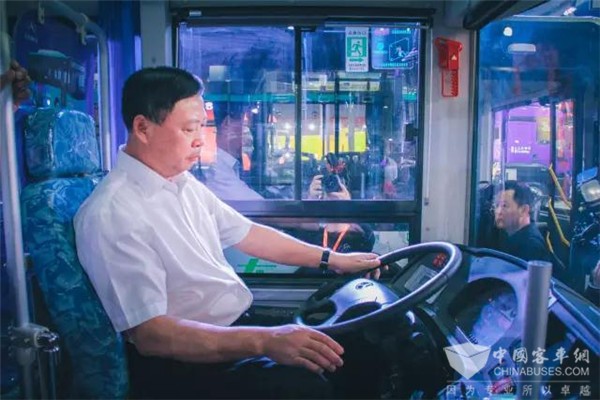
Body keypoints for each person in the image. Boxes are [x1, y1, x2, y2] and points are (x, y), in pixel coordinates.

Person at [74, 66, 382, 399]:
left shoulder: (181, 183)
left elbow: (249, 234)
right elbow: (152, 334)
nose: (199, 140)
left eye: (201, 127)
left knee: (356, 351)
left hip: (233, 329)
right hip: (184, 364)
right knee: (308, 386)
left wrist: (333, 260)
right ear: (142, 128)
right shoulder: (113, 212)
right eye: (188, 129)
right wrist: (266, 341)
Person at [203, 102, 263, 200]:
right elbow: (256, 203)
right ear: (227, 124)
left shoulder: (231, 166)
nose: (249, 133)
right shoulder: (219, 172)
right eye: (245, 125)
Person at [493, 180, 551, 262]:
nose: (498, 211)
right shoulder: (506, 235)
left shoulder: (531, 246)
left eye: (504, 206)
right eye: (496, 205)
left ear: (524, 210)